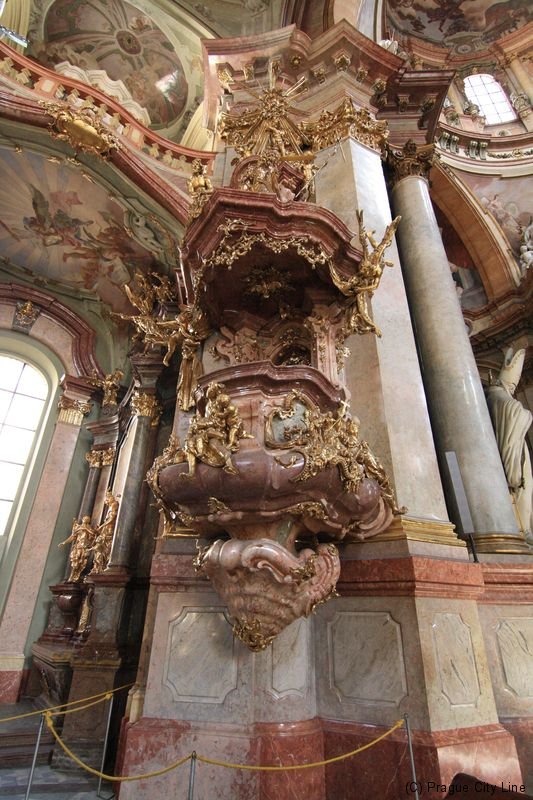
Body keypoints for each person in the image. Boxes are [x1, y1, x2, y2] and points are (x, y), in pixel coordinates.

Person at [487, 348, 533, 541]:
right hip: (510, 449)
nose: (513, 386)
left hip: (516, 445)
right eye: (512, 383)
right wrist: (525, 413)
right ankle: (522, 530)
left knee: (525, 489)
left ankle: (525, 528)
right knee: (521, 487)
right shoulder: (497, 396)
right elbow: (517, 412)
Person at [58, 516, 96, 582]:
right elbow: (73, 537)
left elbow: (93, 534)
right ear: (82, 519)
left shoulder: (89, 528)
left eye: (88, 519)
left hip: (85, 547)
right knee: (76, 561)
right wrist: (64, 542)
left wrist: (85, 529)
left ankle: (77, 576)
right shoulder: (78, 527)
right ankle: (72, 575)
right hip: (78, 546)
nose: (86, 520)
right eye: (85, 519)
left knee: (82, 562)